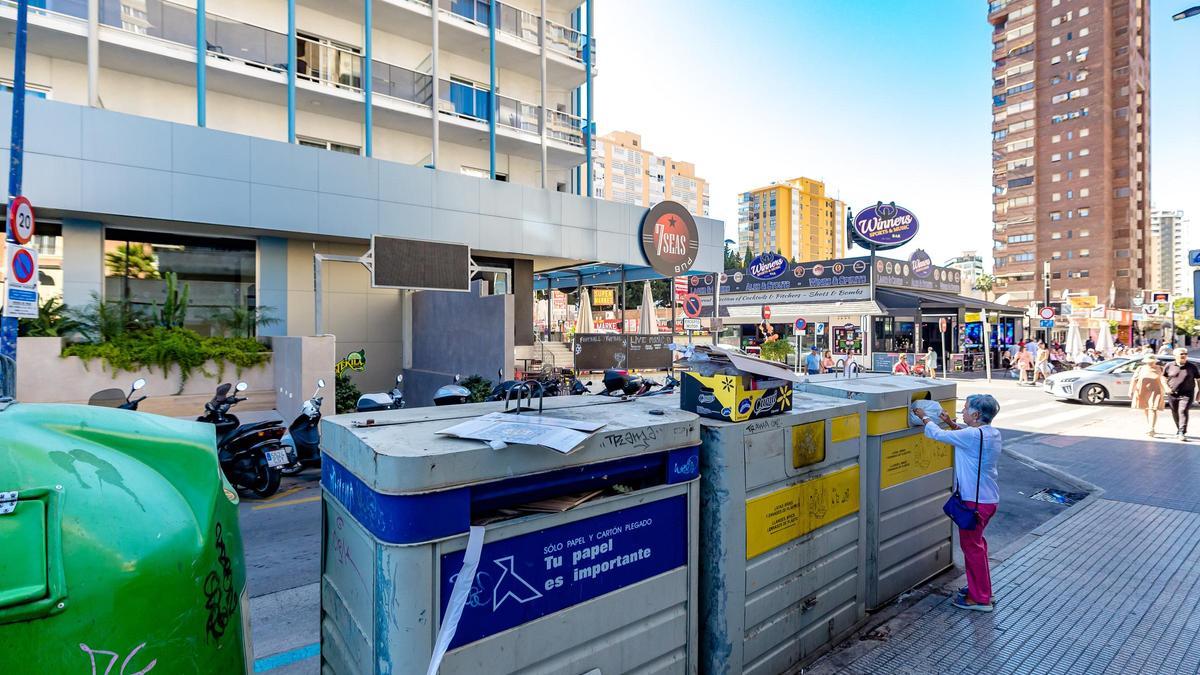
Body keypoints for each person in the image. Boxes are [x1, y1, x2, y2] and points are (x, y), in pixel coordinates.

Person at [913, 394, 1002, 612]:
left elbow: (937, 434)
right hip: (988, 500)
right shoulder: (991, 433)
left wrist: (924, 417)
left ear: (976, 414)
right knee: (978, 547)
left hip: (974, 503)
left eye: (965, 409)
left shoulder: (972, 435)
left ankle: (980, 599)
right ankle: (982, 589)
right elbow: (967, 438)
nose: (962, 412)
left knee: (972, 549)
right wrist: (953, 423)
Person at [1164, 348, 1200, 441]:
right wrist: (1166, 387)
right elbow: (1163, 377)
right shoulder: (1169, 365)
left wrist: (1199, 392)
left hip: (1187, 393)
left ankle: (1182, 432)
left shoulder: (1192, 367)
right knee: (1175, 412)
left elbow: (1198, 379)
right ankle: (1178, 429)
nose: (1184, 355)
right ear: (1175, 356)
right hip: (1172, 394)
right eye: (1181, 354)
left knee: (1183, 410)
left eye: (1185, 353)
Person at [1129, 355, 1169, 437]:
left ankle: (1151, 428)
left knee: (1153, 408)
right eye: (1148, 362)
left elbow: (1164, 379)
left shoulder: (1161, 368)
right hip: (1143, 390)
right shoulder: (1140, 368)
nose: (1150, 363)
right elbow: (1134, 379)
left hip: (1156, 391)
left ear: (1155, 361)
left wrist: (1167, 388)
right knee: (1146, 408)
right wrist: (1131, 391)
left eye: (1152, 362)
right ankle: (1150, 426)